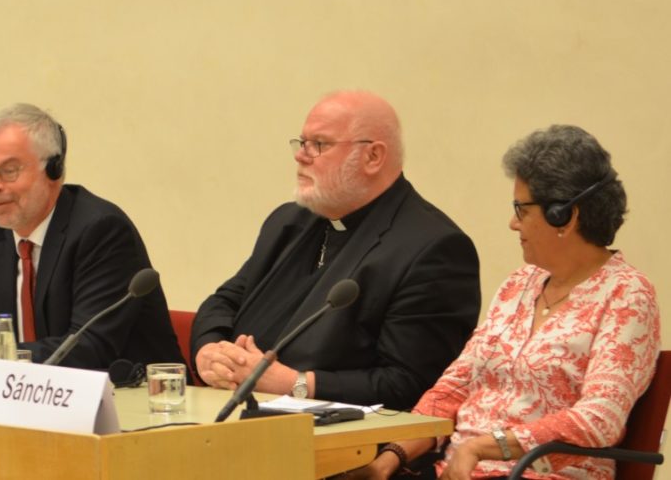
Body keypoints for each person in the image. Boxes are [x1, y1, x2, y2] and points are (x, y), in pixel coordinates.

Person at [349, 125, 661, 480]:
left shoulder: (627, 295)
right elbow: (454, 388)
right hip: (458, 471)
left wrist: (481, 448)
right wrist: (390, 458)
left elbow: (599, 419)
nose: (513, 223)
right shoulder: (519, 284)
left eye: (521, 209)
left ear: (564, 215)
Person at [191, 90, 481, 409]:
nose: (301, 156)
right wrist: (210, 351)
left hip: (339, 433)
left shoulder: (433, 249)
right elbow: (225, 301)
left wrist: (293, 384)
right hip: (239, 413)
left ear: (373, 157)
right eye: (302, 143)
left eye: (319, 144)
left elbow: (409, 384)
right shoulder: (289, 222)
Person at [0, 103, 182, 373]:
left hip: (137, 400)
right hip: (27, 398)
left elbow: (87, 348)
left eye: (9, 171)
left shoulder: (100, 231)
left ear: (54, 171)